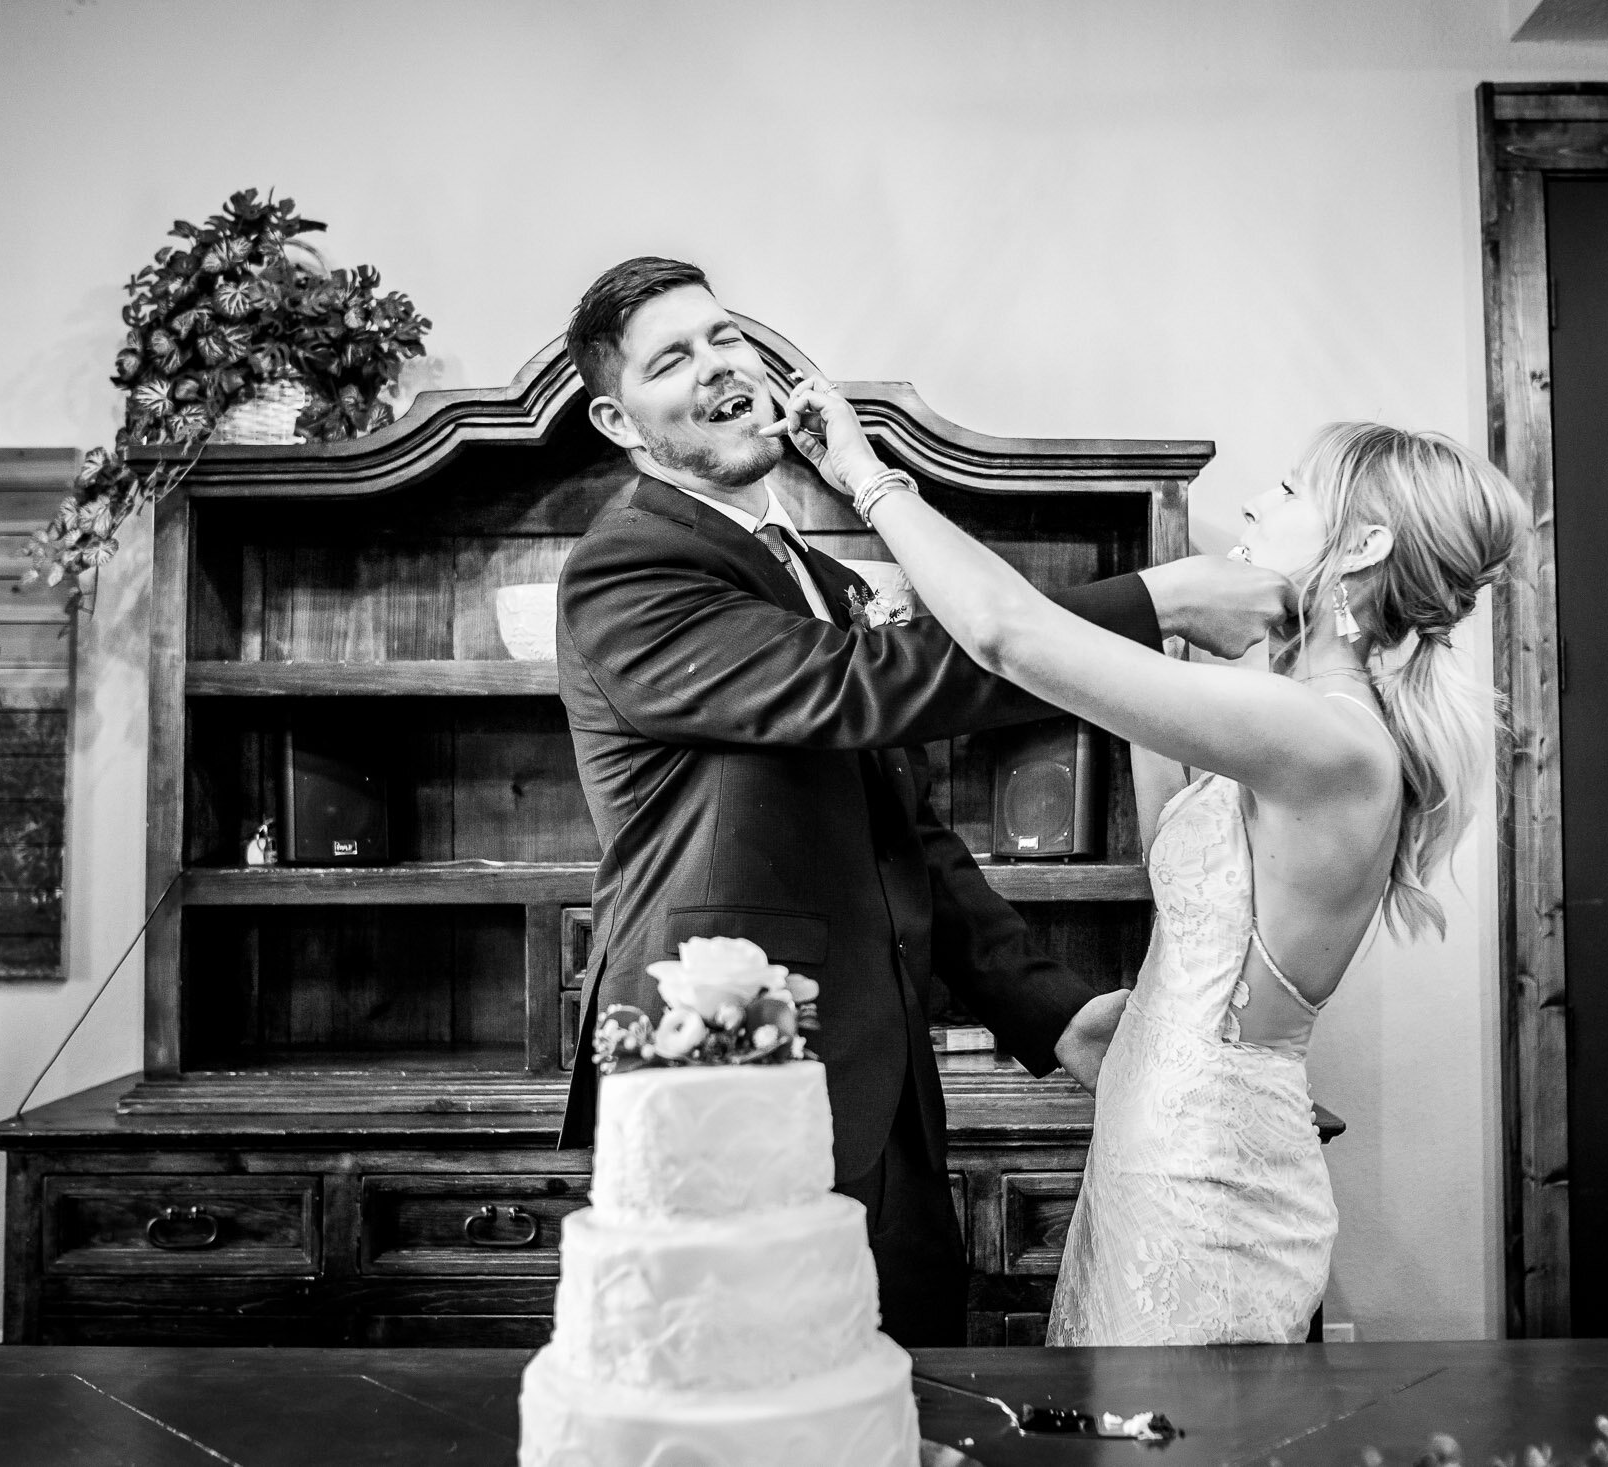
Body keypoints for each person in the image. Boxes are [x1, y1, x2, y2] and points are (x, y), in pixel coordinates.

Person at [551, 256, 1296, 1345]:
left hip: (873, 1062)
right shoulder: (629, 569)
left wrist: (1048, 1009)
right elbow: (877, 684)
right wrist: (1157, 601)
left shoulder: (823, 576)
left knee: (896, 1372)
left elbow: (906, 837)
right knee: (741, 1393)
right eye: (674, 359)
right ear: (621, 419)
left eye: (724, 338)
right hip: (715, 1065)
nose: (720, 366)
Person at [770, 376, 1522, 1344]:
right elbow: (1157, 798)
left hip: (1210, 1169)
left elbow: (1011, 638)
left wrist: (866, 479)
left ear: (1366, 545)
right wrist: (1157, 627)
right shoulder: (1277, 721)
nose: (1258, 503)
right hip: (1150, 1139)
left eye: (1291, 491)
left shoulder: (1326, 738)